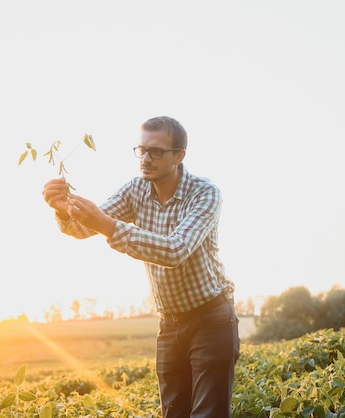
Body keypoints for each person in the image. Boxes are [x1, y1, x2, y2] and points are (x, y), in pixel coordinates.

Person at [42, 116, 240, 417]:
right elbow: (84, 229)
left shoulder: (205, 194)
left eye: (156, 152)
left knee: (208, 414)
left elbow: (176, 249)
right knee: (173, 413)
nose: (146, 159)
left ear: (179, 156)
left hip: (211, 318)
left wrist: (109, 226)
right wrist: (64, 212)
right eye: (141, 150)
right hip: (170, 324)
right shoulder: (135, 191)